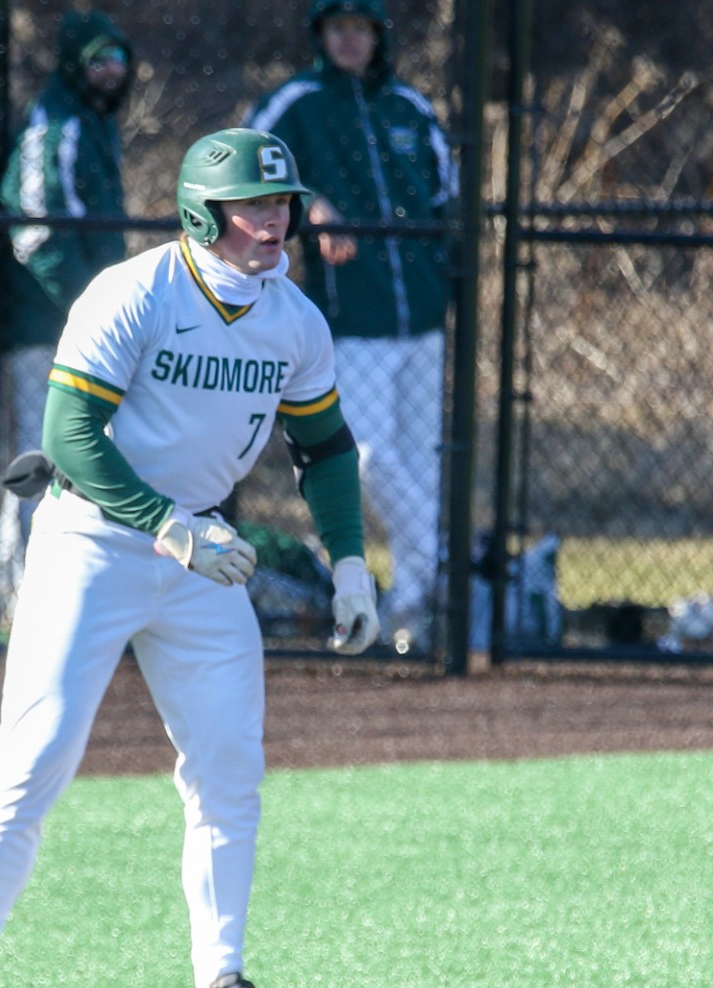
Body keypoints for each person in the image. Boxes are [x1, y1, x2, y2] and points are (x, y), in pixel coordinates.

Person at [0, 128, 380, 988]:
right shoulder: (133, 292)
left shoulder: (294, 319)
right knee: (34, 761)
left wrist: (353, 563)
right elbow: (71, 431)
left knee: (228, 771)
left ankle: (221, 986)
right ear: (205, 213)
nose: (274, 221)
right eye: (254, 204)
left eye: (282, 203)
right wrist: (169, 523)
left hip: (203, 552)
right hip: (93, 538)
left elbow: (322, 448)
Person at [245, 0, 455, 651]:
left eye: (360, 28)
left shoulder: (409, 108)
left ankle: (418, 604)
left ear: (377, 36)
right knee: (366, 454)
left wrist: (438, 273)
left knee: (423, 460)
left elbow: (448, 194)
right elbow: (243, 164)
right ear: (320, 35)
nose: (349, 40)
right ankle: (444, 564)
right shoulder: (298, 103)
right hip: (352, 316)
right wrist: (309, 205)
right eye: (337, 27)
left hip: (421, 314)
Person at [0, 11, 134, 619]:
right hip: (48, 324)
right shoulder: (57, 123)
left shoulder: (95, 125)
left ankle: (31, 585)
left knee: (75, 451)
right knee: (40, 452)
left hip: (84, 324)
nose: (110, 73)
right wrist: (90, 310)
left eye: (119, 60)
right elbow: (34, 230)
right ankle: (28, 592)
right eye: (98, 60)